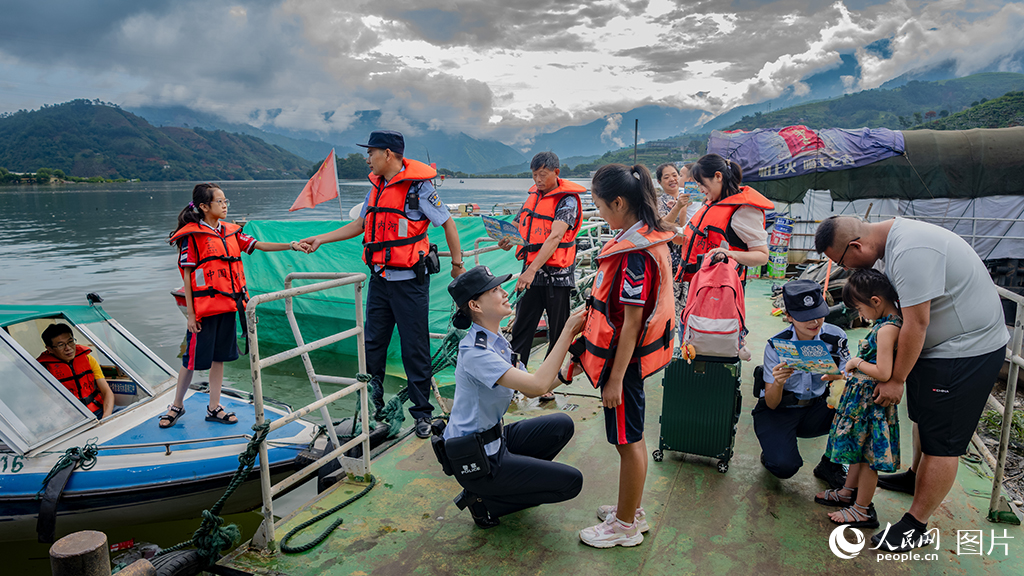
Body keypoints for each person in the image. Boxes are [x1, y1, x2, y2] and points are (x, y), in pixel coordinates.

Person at [815, 215, 1008, 552]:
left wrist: (896, 379)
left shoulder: (910, 250)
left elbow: (917, 323)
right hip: (939, 351)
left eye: (842, 262)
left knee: (942, 441)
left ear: (856, 246)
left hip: (965, 351)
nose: (846, 269)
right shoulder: (893, 244)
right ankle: (914, 476)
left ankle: (915, 524)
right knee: (923, 418)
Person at [299, 130, 465, 439]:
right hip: (380, 280)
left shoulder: (419, 188)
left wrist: (458, 265)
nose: (368, 158)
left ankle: (421, 414)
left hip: (410, 283)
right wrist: (321, 238)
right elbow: (362, 223)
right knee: (373, 345)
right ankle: (373, 410)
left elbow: (447, 223)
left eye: (372, 152)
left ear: (388, 154)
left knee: (414, 347)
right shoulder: (375, 187)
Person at [439, 266, 585, 529]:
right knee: (571, 482)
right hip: (477, 459)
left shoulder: (496, 342)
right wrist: (567, 331)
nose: (505, 293)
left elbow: (531, 385)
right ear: (475, 305)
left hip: (495, 439)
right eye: (495, 290)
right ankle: (485, 501)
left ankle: (511, 483)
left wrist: (568, 372)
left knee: (562, 426)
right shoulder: (476, 353)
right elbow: (538, 387)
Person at [576, 164, 675, 548]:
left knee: (628, 440)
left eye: (600, 207)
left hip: (625, 362)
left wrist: (615, 378)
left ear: (618, 202)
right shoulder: (645, 237)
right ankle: (628, 509)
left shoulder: (636, 254)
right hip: (627, 359)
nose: (599, 214)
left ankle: (625, 526)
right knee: (628, 436)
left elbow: (632, 323)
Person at [162, 183, 302, 428]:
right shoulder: (192, 236)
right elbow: (187, 276)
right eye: (220, 202)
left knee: (220, 358)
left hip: (228, 305)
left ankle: (214, 407)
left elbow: (257, 245)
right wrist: (191, 315)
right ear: (204, 207)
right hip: (204, 310)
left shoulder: (231, 231)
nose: (225, 206)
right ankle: (177, 405)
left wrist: (291, 245)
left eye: (226, 201)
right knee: (190, 359)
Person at [815, 269, 903, 530]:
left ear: (876, 301)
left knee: (867, 457)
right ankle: (847, 492)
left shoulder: (887, 329)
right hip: (861, 400)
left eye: (860, 309)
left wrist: (856, 362)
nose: (860, 315)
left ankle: (862, 509)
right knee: (858, 451)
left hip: (871, 403)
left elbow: (884, 371)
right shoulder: (884, 323)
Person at [498, 151, 586, 401]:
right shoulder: (533, 197)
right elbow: (520, 225)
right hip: (532, 274)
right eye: (534, 175)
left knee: (557, 333)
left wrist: (531, 269)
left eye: (543, 175)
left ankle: (547, 383)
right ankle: (515, 379)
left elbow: (555, 237)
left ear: (556, 173)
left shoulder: (567, 200)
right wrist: (507, 238)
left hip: (556, 277)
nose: (538, 180)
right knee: (522, 329)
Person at [753, 280, 850, 488]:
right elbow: (771, 403)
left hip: (818, 407)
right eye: (805, 318)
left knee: (859, 408)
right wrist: (778, 382)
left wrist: (840, 378)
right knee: (784, 466)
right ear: (789, 316)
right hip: (781, 409)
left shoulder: (836, 337)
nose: (815, 322)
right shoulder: (776, 345)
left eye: (818, 314)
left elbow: (850, 379)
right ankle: (773, 448)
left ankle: (831, 464)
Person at [677, 154, 772, 284]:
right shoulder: (711, 203)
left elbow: (762, 256)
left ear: (718, 176)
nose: (700, 190)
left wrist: (731, 254)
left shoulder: (743, 211)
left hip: (722, 289)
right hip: (698, 284)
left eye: (702, 184)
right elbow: (690, 235)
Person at [37, 323, 114, 419]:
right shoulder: (43, 371)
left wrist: (106, 417)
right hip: (70, 419)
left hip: (98, 410)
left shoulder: (89, 360)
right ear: (50, 349)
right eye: (61, 345)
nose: (68, 348)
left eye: (70, 342)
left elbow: (107, 392)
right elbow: (46, 404)